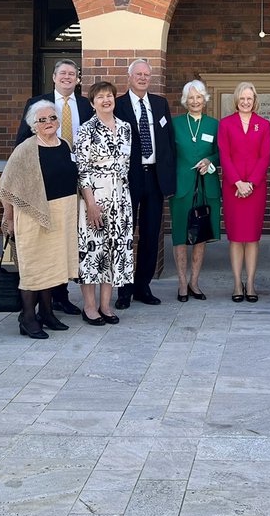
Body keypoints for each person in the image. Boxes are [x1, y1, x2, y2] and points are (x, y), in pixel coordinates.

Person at [13, 58, 93, 317]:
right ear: (54, 77)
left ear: (77, 79)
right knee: (44, 246)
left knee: (65, 241)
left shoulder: (84, 105)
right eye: (63, 73)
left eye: (72, 74)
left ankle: (60, 296)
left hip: (71, 185)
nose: (68, 77)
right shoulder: (38, 104)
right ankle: (46, 303)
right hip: (43, 189)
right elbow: (22, 145)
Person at [0, 100, 79, 338]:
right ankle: (28, 318)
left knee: (53, 266)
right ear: (33, 124)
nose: (48, 123)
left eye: (52, 118)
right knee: (34, 267)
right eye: (41, 120)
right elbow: (7, 187)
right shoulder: (25, 149)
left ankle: (46, 312)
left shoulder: (64, 145)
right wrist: (9, 218)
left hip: (62, 213)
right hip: (33, 215)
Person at [112, 59, 176, 308]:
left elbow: (168, 144)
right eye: (138, 74)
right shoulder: (118, 105)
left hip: (155, 178)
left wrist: (168, 180)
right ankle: (123, 290)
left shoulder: (160, 104)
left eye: (146, 75)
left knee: (150, 234)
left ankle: (143, 287)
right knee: (126, 234)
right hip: (129, 178)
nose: (142, 78)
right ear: (129, 77)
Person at [75, 81, 134, 325]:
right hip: (95, 199)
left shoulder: (125, 128)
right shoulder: (86, 130)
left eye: (109, 96)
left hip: (121, 198)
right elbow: (82, 169)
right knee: (93, 252)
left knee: (113, 251)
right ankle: (89, 307)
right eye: (100, 97)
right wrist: (90, 203)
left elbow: (126, 165)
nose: (106, 100)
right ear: (92, 103)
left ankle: (105, 305)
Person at [218, 81, 270, 302]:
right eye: (242, 98)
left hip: (255, 189)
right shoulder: (226, 124)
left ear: (255, 100)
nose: (246, 102)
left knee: (251, 238)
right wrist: (238, 182)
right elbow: (224, 155)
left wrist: (250, 183)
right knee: (236, 238)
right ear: (237, 100)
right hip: (233, 188)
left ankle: (250, 283)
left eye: (249, 98)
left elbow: (264, 156)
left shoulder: (264, 124)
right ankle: (236, 284)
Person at [169, 79, 222, 301]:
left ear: (204, 99)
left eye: (198, 97)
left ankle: (195, 282)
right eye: (190, 98)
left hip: (206, 186)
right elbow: (168, 154)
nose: (195, 101)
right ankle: (182, 284)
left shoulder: (214, 124)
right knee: (180, 236)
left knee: (200, 235)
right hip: (181, 187)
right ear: (185, 101)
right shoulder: (176, 124)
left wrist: (209, 161)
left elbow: (221, 154)